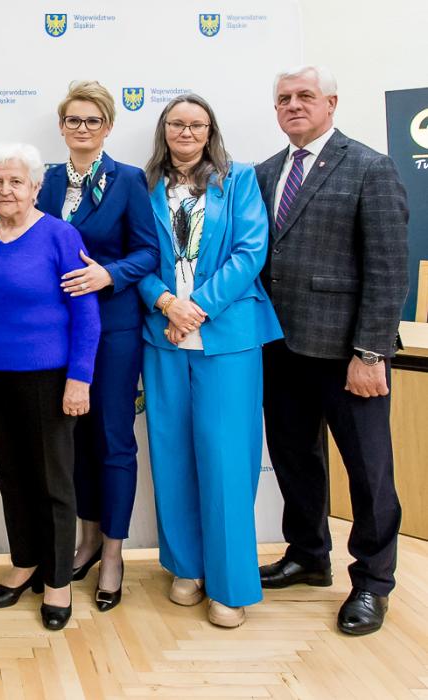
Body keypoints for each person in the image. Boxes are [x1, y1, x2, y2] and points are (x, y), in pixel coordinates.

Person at [255, 65, 409, 636]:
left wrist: (370, 353)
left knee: (369, 473)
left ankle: (373, 581)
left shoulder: (370, 166)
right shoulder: (265, 172)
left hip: (348, 355)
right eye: (284, 98)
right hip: (281, 349)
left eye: (305, 96)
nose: (293, 105)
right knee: (295, 459)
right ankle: (308, 555)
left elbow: (388, 269)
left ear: (332, 103)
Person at [137, 94, 283, 628]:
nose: (186, 132)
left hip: (227, 337)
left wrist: (196, 307)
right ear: (164, 129)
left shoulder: (238, 179)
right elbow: (135, 256)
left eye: (197, 124)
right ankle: (187, 566)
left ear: (210, 131)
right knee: (172, 455)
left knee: (226, 462)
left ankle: (230, 584)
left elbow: (250, 251)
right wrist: (166, 302)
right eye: (177, 123)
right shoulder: (144, 184)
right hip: (164, 337)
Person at [0, 143, 100, 631]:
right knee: (12, 477)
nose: (6, 190)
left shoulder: (60, 235)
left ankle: (58, 581)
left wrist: (79, 378)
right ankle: (25, 562)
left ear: (36, 187)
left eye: (16, 181)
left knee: (53, 484)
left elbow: (86, 314)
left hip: (50, 378)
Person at [35, 80, 159, 611]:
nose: (81, 128)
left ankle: (112, 553)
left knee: (112, 440)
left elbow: (148, 252)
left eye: (92, 120)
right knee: (74, 440)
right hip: (56, 331)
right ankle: (85, 540)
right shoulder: (45, 180)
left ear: (107, 126)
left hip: (113, 328)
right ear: (61, 127)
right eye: (73, 120)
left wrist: (108, 275)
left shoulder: (129, 179)